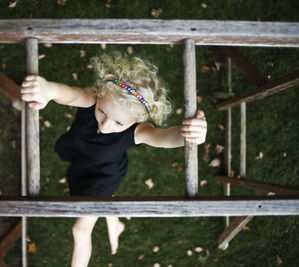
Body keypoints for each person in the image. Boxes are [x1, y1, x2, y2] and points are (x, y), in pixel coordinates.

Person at [21, 53, 207, 267]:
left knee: (80, 230)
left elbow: (162, 137)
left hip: (105, 175)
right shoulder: (93, 96)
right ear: (100, 95)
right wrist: (49, 90)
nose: (105, 125)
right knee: (83, 193)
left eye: (118, 123)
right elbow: (71, 95)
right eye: (102, 112)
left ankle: (107, 218)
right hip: (82, 161)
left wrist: (188, 134)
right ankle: (113, 220)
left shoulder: (139, 131)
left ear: (137, 121)